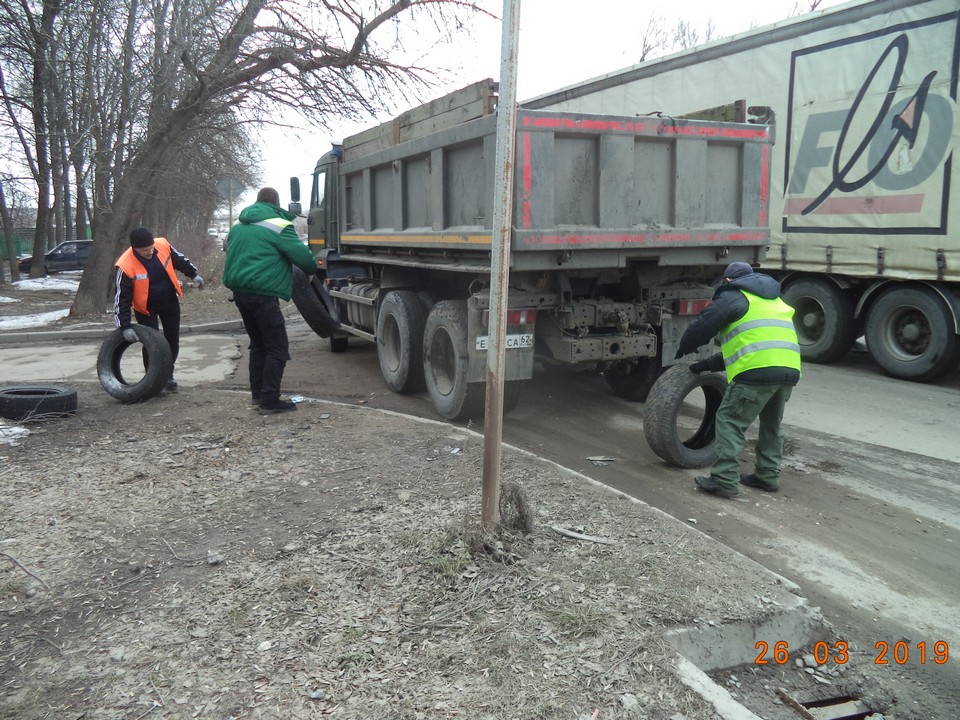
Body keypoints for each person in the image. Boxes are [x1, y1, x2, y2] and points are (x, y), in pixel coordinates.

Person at [674, 261, 801, 498]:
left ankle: (724, 479)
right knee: (772, 425)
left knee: (729, 421)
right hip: (788, 370)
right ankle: (768, 475)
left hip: (756, 372)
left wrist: (684, 347)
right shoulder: (775, 300)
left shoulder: (733, 296)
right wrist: (706, 365)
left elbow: (703, 327)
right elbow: (749, 347)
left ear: (728, 280)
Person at [223, 187, 317, 415]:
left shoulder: (239, 224)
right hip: (263, 293)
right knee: (277, 347)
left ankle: (258, 395)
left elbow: (229, 248)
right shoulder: (279, 225)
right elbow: (303, 257)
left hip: (240, 292)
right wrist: (311, 270)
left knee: (258, 344)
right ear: (276, 203)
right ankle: (270, 400)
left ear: (257, 202)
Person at [114, 227, 204, 393]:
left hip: (169, 300)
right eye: (145, 250)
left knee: (172, 340)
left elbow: (180, 260)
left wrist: (193, 274)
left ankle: (167, 376)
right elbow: (121, 299)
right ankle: (153, 379)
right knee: (152, 344)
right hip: (145, 308)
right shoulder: (125, 266)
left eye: (151, 248)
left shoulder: (162, 245)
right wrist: (125, 326)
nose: (149, 252)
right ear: (134, 248)